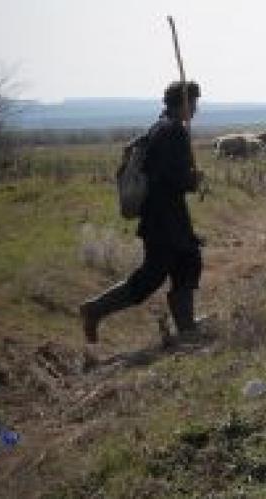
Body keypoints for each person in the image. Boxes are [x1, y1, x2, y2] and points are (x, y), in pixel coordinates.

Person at [80, 80, 204, 343]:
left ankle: (187, 327)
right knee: (152, 276)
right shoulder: (174, 132)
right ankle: (94, 310)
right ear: (184, 103)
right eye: (193, 103)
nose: (195, 110)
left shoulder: (159, 127)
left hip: (164, 217)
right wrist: (192, 180)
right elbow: (170, 178)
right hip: (165, 218)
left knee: (188, 262)